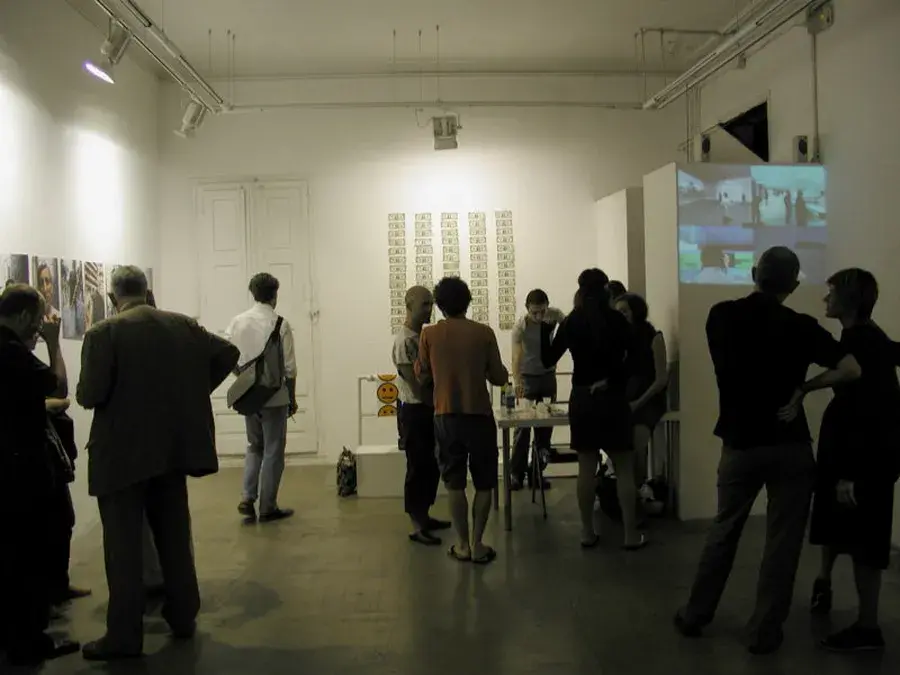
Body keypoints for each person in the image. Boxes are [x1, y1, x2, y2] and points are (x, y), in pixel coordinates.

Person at [673, 246, 861, 655]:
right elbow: (851, 369)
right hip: (790, 444)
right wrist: (803, 388)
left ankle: (695, 614)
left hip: (740, 443)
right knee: (783, 542)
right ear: (793, 285)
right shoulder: (802, 326)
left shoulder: (721, 316)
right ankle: (763, 631)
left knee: (723, 531)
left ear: (755, 272)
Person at [77, 266, 239, 660]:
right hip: (171, 448)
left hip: (121, 454)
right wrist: (193, 389)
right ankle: (183, 615)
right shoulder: (183, 326)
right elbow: (228, 353)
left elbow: (88, 394)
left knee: (123, 548)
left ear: (113, 298)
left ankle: (124, 635)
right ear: (147, 292)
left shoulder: (104, 333)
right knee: (174, 537)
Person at [808, 268, 900, 653]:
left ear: (847, 301)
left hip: (862, 460)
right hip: (854, 456)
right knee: (841, 527)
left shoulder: (864, 342)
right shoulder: (864, 338)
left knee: (865, 543)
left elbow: (870, 412)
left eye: (830, 293)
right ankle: (826, 585)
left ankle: (868, 626)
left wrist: (851, 475)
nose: (825, 299)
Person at [0, 284, 80, 666]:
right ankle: (29, 643)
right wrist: (53, 343)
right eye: (36, 320)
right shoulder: (12, 352)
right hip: (21, 470)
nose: (38, 326)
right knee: (28, 554)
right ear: (21, 316)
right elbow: (58, 384)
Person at [542, 268, 645, 550]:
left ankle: (587, 532)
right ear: (605, 290)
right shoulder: (617, 320)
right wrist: (612, 379)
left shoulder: (573, 321)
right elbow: (637, 360)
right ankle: (630, 535)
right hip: (613, 398)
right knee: (624, 467)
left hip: (582, 397)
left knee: (586, 467)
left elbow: (548, 358)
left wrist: (546, 329)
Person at [416, 276, 507, 564]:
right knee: (484, 482)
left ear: (439, 305)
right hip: (479, 415)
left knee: (454, 482)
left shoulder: (429, 335)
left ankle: (462, 545)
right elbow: (499, 377)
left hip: (445, 416)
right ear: (468, 301)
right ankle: (479, 544)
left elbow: (422, 375)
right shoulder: (484, 333)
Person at [227, 273, 298, 523]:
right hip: (274, 396)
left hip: (249, 396)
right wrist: (292, 398)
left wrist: (245, 377)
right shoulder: (280, 324)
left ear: (253, 294)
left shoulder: (237, 322)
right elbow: (290, 368)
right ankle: (268, 506)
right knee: (273, 450)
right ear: (274, 295)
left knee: (254, 446)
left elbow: (229, 356)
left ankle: (247, 497)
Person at [392, 285, 450, 545]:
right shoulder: (405, 341)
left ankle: (424, 516)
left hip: (428, 408)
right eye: (424, 304)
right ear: (409, 305)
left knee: (430, 465)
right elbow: (416, 385)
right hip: (416, 410)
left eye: (431, 304)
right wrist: (438, 404)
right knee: (418, 466)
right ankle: (417, 524)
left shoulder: (421, 336)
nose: (429, 309)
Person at [509, 289, 565, 491]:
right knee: (522, 428)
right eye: (535, 313)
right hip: (528, 377)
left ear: (547, 306)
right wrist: (517, 381)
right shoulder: (520, 326)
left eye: (542, 311)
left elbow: (569, 327)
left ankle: (537, 473)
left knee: (545, 427)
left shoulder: (555, 315)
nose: (539, 316)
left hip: (548, 376)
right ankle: (516, 474)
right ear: (527, 309)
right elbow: (516, 356)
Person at [614, 293, 668, 485]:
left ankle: (637, 489)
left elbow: (661, 380)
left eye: (624, 311)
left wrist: (638, 403)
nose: (621, 316)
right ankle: (629, 491)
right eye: (618, 312)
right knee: (623, 451)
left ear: (636, 312)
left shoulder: (654, 337)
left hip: (648, 399)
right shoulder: (620, 338)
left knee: (637, 447)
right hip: (628, 397)